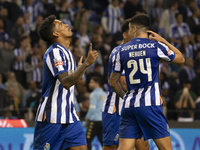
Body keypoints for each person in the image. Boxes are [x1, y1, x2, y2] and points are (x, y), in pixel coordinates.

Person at [110, 14, 185, 150]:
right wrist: (163, 40)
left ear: (134, 28)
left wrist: (125, 96)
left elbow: (113, 82)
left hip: (128, 106)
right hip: (150, 105)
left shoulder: (121, 50)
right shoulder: (155, 46)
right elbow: (180, 59)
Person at [33, 15, 98, 150]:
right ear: (55, 33)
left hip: (70, 116)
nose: (67, 25)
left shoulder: (67, 53)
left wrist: (80, 69)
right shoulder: (54, 52)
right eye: (61, 25)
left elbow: (72, 82)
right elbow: (66, 83)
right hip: (51, 117)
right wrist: (86, 64)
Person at [102, 18, 149, 150]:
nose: (136, 34)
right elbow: (123, 83)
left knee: (143, 145)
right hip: (117, 108)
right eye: (132, 30)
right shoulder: (120, 52)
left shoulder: (135, 51)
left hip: (134, 106)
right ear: (125, 34)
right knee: (111, 147)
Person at [85, 76, 107, 150]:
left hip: (94, 121)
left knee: (87, 140)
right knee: (103, 141)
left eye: (91, 82)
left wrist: (87, 117)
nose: (89, 84)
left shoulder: (93, 94)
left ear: (97, 83)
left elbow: (92, 108)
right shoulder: (105, 94)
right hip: (103, 121)